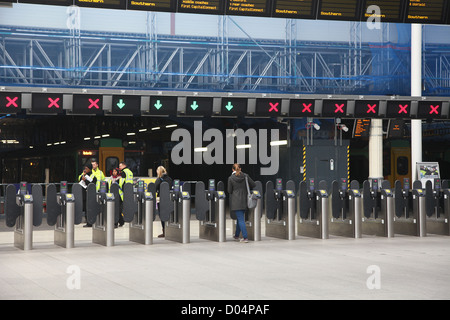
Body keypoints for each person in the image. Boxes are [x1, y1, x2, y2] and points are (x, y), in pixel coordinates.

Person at [227, 163, 255, 243]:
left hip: (236, 201)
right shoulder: (245, 176)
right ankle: (236, 235)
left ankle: (245, 237)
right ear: (240, 169)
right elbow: (253, 184)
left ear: (232, 170)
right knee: (240, 218)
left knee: (241, 219)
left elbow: (229, 190)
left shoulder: (231, 178)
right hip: (244, 200)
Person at [153, 166, 172, 238]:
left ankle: (164, 231)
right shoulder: (169, 179)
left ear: (159, 171)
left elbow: (154, 188)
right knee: (168, 214)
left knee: (162, 215)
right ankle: (169, 230)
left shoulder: (159, 179)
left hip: (161, 198)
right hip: (168, 198)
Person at [78, 163, 97, 227]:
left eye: (86, 168)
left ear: (89, 169)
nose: (85, 170)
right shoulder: (83, 174)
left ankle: (90, 222)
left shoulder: (93, 176)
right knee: (85, 208)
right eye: (85, 168)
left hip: (90, 194)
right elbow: (80, 180)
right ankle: (87, 221)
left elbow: (92, 185)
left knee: (90, 208)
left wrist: (86, 180)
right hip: (84, 194)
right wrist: (82, 177)